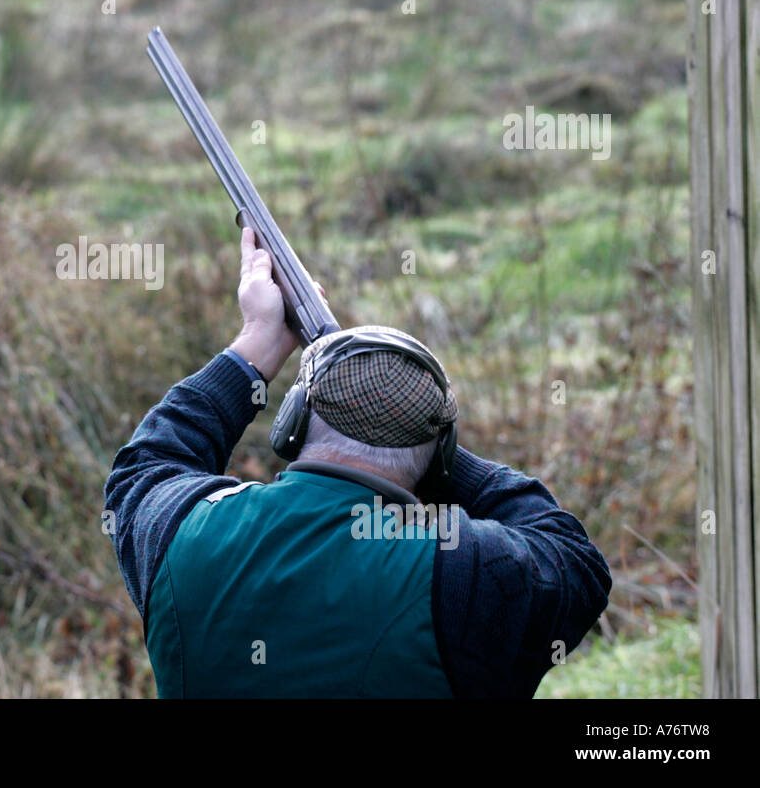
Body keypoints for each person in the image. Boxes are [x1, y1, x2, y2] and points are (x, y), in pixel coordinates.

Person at [105, 227, 611, 697]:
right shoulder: (465, 570)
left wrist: (256, 344)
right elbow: (575, 560)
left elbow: (149, 463)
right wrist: (433, 445)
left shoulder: (182, 535)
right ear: (442, 454)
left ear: (293, 421)